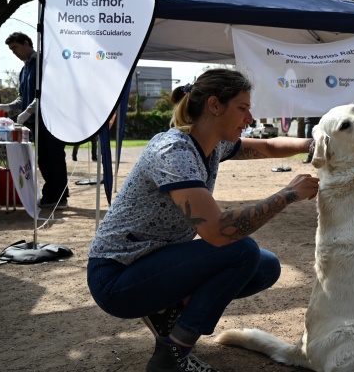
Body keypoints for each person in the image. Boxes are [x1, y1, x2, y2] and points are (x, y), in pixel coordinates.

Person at [86, 68, 319, 372]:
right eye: (243, 108)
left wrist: (312, 144)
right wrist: (287, 194)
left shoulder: (214, 145)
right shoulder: (173, 150)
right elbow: (217, 231)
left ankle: (168, 314)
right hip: (116, 278)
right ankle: (171, 355)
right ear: (214, 105)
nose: (249, 119)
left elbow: (269, 146)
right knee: (241, 251)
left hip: (151, 263)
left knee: (265, 267)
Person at [0, 32, 69, 209]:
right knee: (43, 159)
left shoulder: (43, 62)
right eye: (11, 50)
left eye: (15, 48)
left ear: (27, 43)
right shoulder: (24, 69)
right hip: (35, 122)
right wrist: (7, 107)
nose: (14, 52)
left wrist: (28, 111)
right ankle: (52, 194)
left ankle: (59, 196)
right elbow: (23, 98)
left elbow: (46, 92)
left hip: (51, 119)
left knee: (54, 157)